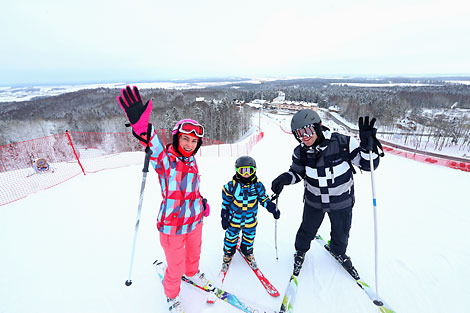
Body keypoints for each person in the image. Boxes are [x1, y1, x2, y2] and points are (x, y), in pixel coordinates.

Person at [117, 86, 211, 313]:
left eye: (193, 141)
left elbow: (191, 189)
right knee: (175, 266)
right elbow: (152, 145)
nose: (189, 144)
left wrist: (201, 202)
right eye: (185, 139)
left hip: (194, 221)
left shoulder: (192, 162)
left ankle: (193, 273)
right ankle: (172, 295)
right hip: (172, 226)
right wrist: (142, 128)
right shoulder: (166, 160)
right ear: (177, 138)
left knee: (194, 254)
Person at [271, 109, 383, 278]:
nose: (305, 137)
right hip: (314, 201)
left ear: (318, 127)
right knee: (307, 230)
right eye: (299, 134)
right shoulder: (300, 152)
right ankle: (300, 251)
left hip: (341, 201)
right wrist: (285, 178)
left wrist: (370, 147)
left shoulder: (343, 143)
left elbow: (368, 166)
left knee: (341, 231)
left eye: (308, 131)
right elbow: (297, 173)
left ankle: (338, 251)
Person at [220, 156, 280, 271]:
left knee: (249, 237)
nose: (246, 174)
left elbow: (264, 199)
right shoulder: (231, 186)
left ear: (254, 170)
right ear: (237, 171)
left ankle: (246, 250)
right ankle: (228, 253)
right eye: (243, 170)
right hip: (234, 220)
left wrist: (272, 208)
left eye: (249, 170)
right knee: (230, 237)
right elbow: (225, 203)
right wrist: (224, 215)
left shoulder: (258, 186)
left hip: (250, 220)